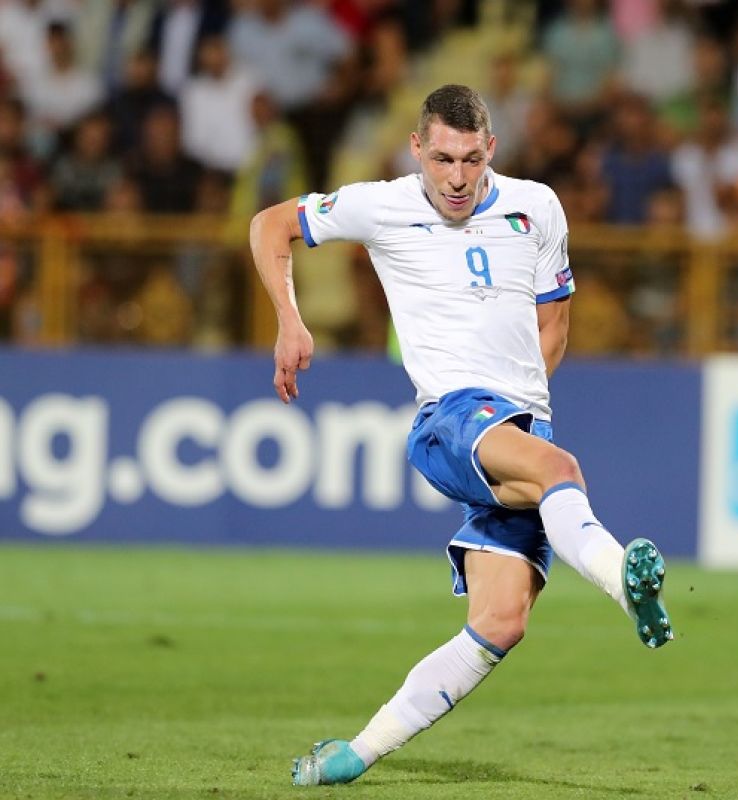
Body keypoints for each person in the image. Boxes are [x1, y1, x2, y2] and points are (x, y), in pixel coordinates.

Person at [247, 84, 674, 787]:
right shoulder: (380, 205)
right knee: (561, 469)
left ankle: (354, 753)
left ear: (491, 151)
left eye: (470, 159)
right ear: (417, 148)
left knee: (501, 622)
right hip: (447, 419)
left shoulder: (536, 207)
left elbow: (554, 325)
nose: (456, 177)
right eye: (442, 158)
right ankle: (627, 585)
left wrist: (522, 412)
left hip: (517, 421)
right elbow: (269, 225)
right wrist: (289, 320)